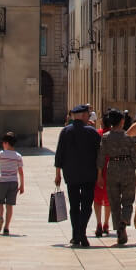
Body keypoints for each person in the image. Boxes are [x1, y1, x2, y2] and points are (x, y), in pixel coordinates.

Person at [54, 104, 101, 247]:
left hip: (71, 174)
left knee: (74, 205)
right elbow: (100, 155)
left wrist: (58, 174)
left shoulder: (65, 132)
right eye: (87, 115)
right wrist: (100, 175)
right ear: (83, 116)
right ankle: (82, 233)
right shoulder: (92, 132)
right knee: (86, 205)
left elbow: (59, 154)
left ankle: (76, 234)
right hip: (89, 174)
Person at [98, 109, 136, 245]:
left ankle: (118, 228)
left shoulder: (105, 138)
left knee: (114, 201)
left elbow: (101, 157)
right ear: (122, 121)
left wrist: (99, 175)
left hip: (112, 169)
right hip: (128, 168)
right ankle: (124, 221)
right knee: (128, 200)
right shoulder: (129, 138)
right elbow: (135, 156)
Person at [92, 113, 112, 237]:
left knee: (97, 199)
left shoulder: (98, 134)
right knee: (109, 199)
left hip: (99, 169)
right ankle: (106, 223)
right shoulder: (116, 135)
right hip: (112, 169)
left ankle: (98, 223)